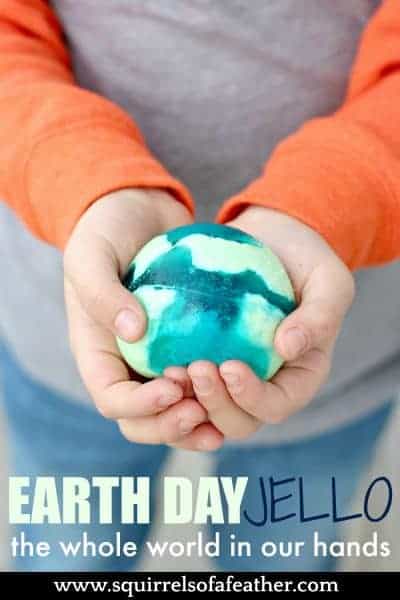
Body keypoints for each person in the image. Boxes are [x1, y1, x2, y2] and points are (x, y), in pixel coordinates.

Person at [0, 0, 399, 571]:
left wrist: (330, 202)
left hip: (328, 356)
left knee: (282, 558)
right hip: (69, 332)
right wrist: (86, 180)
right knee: (70, 550)